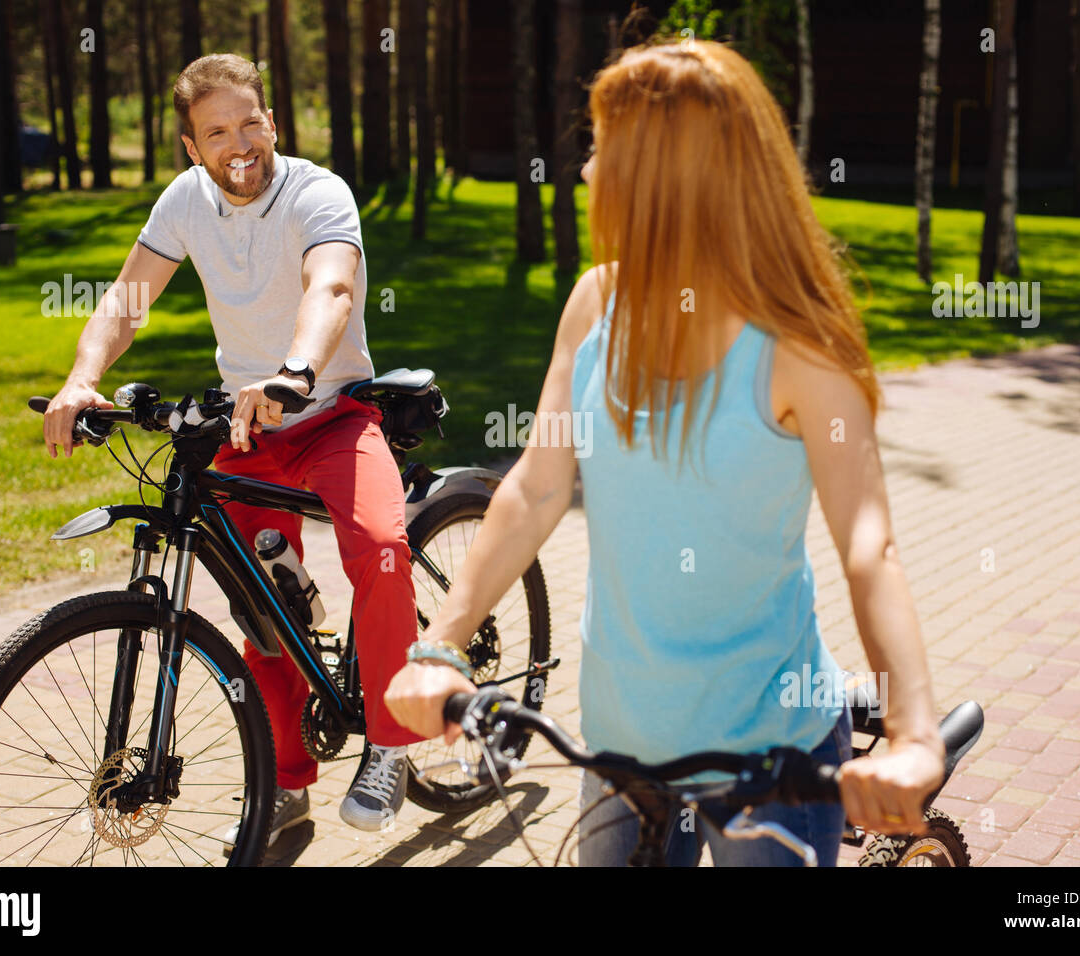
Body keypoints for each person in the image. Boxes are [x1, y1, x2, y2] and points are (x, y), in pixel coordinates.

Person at [384, 40, 946, 866]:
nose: (583, 175)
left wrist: (913, 732)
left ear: (666, 178)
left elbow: (870, 547)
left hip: (771, 752)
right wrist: (440, 644)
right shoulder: (593, 306)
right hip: (622, 743)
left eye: (602, 151)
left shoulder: (800, 346)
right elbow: (536, 490)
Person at [42, 54, 419, 845]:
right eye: (218, 131)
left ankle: (390, 743)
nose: (239, 143)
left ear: (272, 123)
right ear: (192, 147)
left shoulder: (318, 193)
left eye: (251, 123)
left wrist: (294, 371)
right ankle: (287, 780)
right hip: (244, 428)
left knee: (383, 546)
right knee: (262, 607)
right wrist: (83, 378)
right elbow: (127, 299)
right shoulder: (187, 201)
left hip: (331, 413)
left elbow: (333, 288)